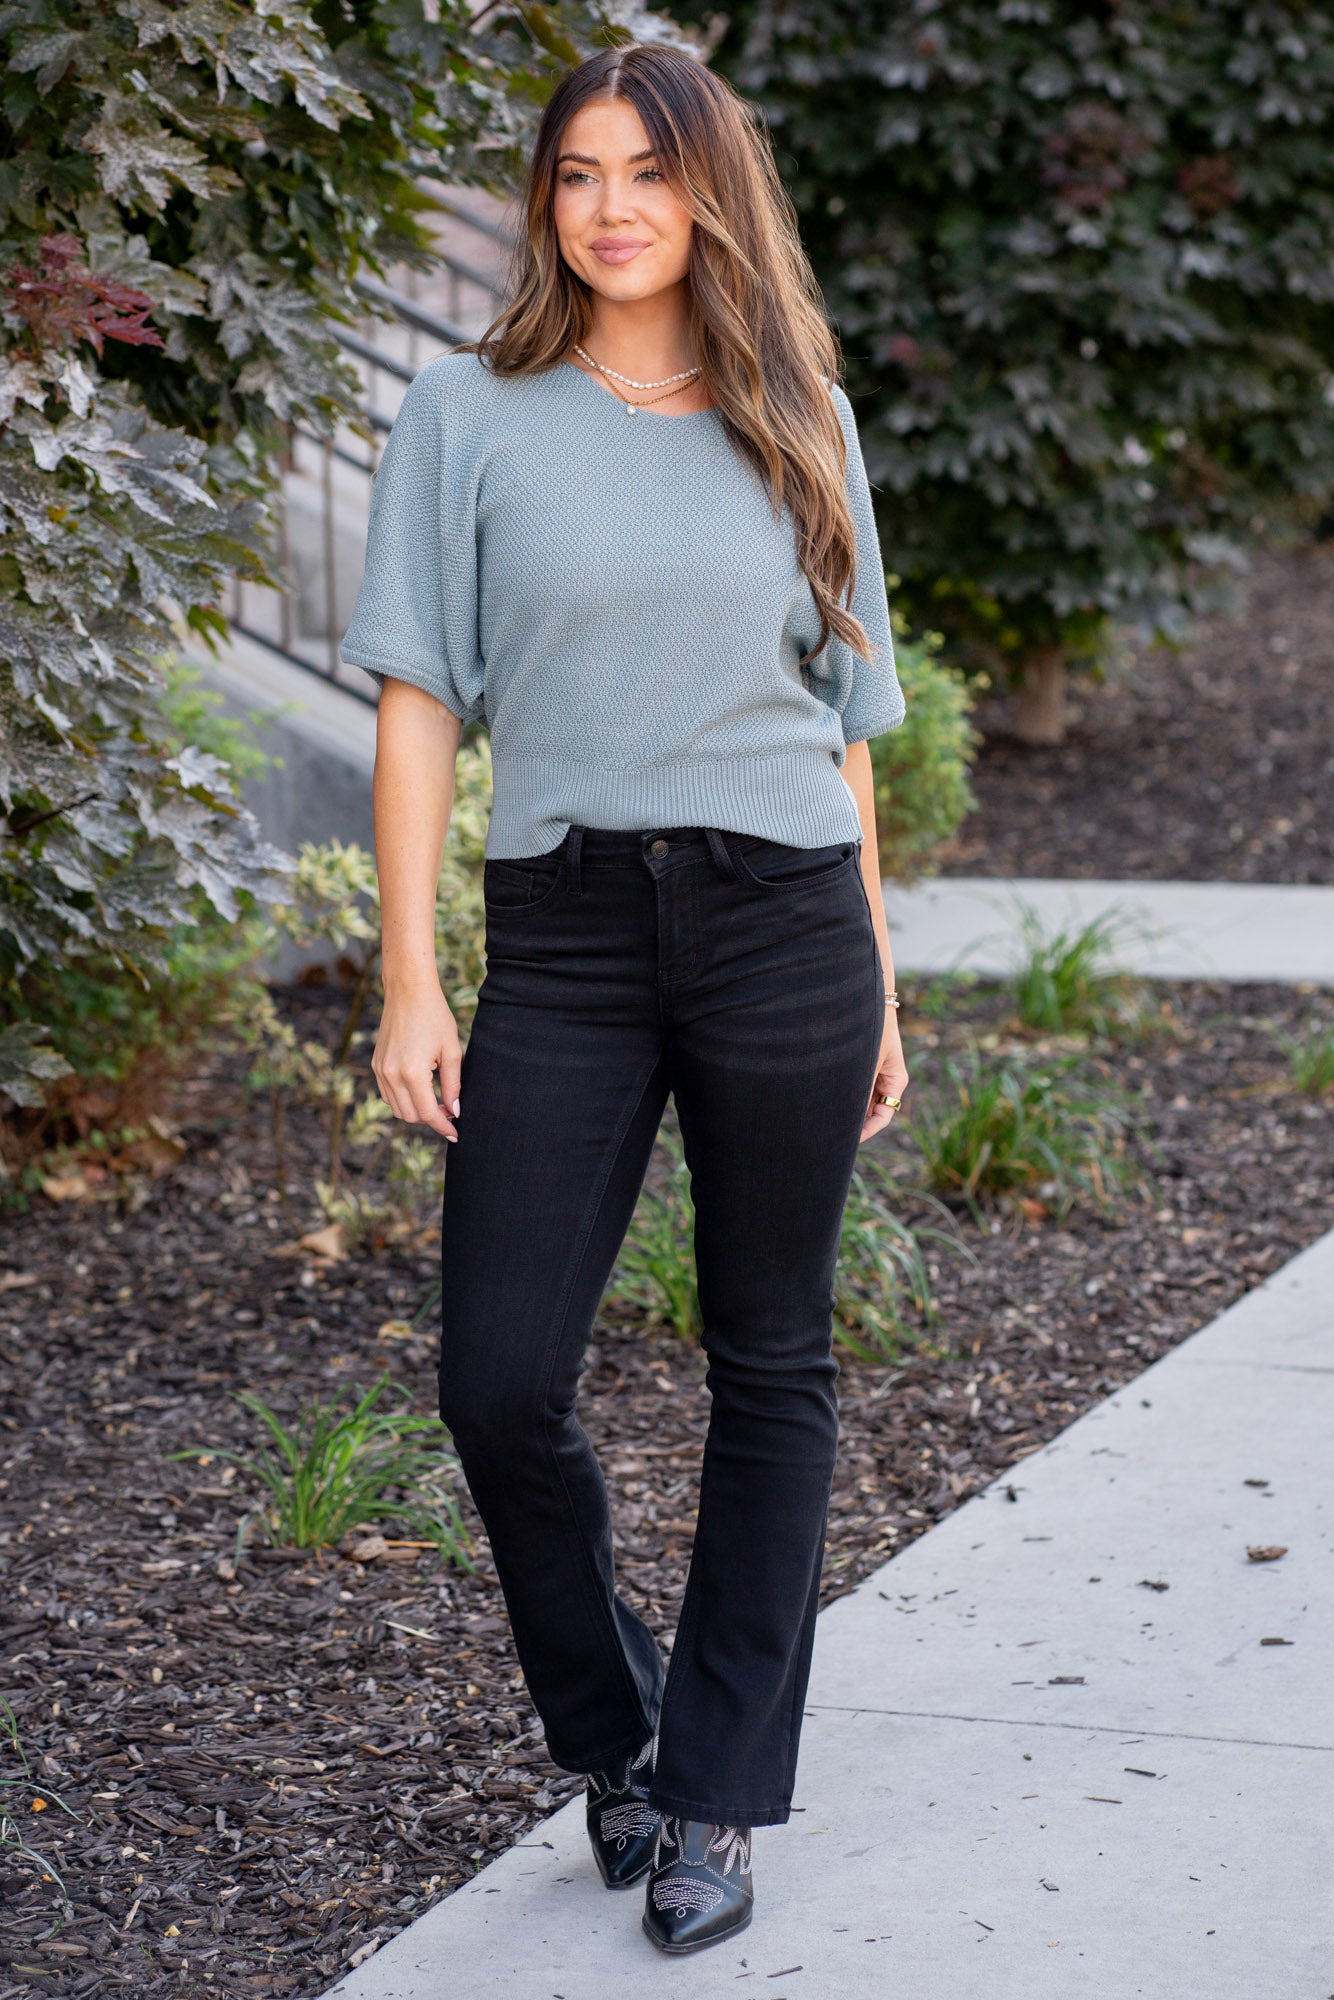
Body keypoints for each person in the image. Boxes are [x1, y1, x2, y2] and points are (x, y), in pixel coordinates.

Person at [340, 40, 909, 1958]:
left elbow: (841, 733)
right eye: (576, 174)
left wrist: (879, 985)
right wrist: (412, 977)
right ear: (546, 200)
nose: (609, 209)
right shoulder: (464, 414)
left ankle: (719, 1794)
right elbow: (418, 703)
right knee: (497, 1381)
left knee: (772, 1360)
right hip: (567, 932)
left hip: (783, 921)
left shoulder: (801, 416)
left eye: (646, 173)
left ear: (706, 192)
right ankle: (621, 1733)